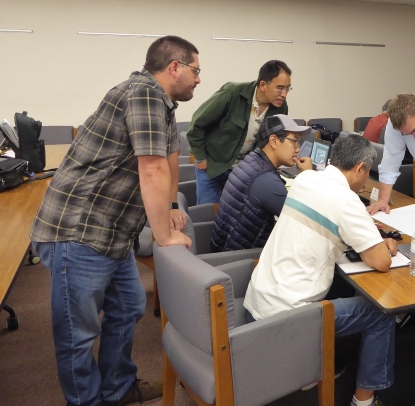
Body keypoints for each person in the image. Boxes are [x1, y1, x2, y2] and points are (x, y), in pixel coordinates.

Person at [30, 36, 199, 406]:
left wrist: (171, 204)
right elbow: (151, 168)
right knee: (78, 333)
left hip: (113, 232)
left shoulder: (163, 104)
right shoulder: (143, 93)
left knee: (128, 306)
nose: (198, 79)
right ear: (174, 67)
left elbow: (168, 156)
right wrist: (163, 236)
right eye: (195, 71)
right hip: (77, 229)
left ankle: (117, 389)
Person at [244, 134, 398, 406]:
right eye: (367, 173)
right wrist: (384, 244)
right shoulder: (347, 201)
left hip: (259, 299)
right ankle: (364, 401)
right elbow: (382, 262)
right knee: (381, 313)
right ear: (360, 168)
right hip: (290, 316)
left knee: (343, 285)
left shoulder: (305, 179)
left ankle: (324, 364)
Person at [187, 60, 292, 204]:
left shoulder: (281, 107)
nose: (284, 94)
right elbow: (197, 124)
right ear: (263, 85)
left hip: (242, 169)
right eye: (280, 88)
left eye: (288, 88)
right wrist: (199, 158)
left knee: (236, 212)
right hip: (212, 164)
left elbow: (271, 142)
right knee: (208, 212)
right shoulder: (232, 93)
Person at [210, 115, 312, 252]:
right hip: (241, 261)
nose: (298, 149)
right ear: (274, 141)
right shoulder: (265, 180)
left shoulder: (252, 160)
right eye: (294, 141)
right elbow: (308, 220)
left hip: (226, 248)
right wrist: (309, 175)